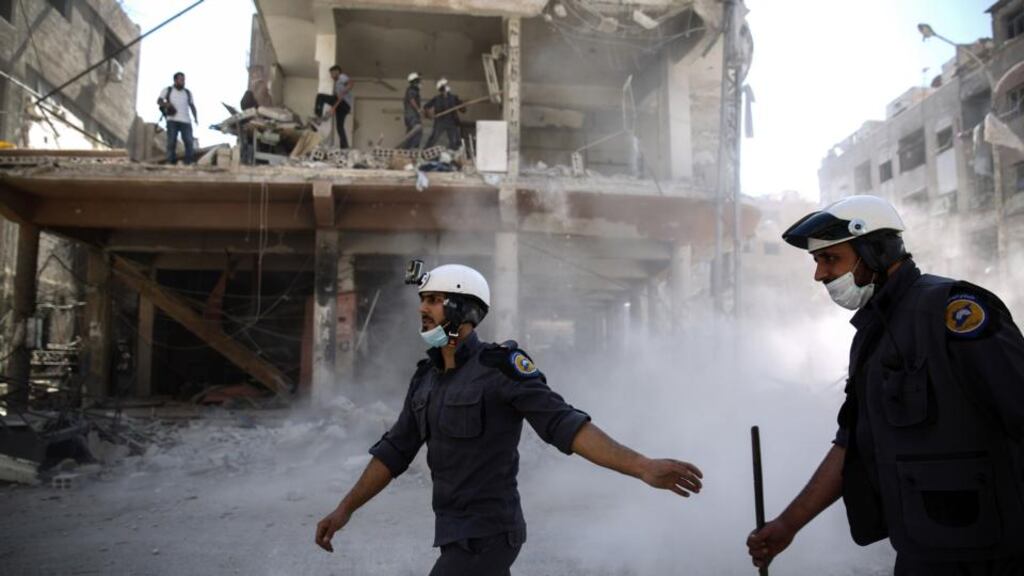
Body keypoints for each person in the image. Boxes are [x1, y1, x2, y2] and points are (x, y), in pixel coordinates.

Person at [316, 263, 704, 575]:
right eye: (423, 299)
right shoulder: (425, 379)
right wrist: (345, 508)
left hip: (489, 536)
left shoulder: (501, 368)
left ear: (462, 310)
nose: (422, 308)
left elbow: (564, 424)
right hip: (453, 533)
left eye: (433, 300)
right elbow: (395, 450)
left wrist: (642, 466)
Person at [746, 195, 1024, 575]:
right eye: (817, 262)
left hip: (991, 553)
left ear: (875, 252)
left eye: (830, 259)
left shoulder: (951, 310)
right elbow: (853, 443)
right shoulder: (871, 334)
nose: (820, 274)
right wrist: (787, 525)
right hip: (921, 548)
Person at [156, 72, 198, 165]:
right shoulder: (168, 90)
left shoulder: (187, 92)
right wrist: (167, 104)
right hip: (172, 120)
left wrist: (195, 118)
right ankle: (170, 161)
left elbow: (192, 106)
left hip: (186, 121)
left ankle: (189, 162)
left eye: (184, 80)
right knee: (171, 141)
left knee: (188, 141)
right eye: (181, 80)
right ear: (175, 80)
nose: (183, 82)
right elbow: (159, 101)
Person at [424, 78, 462, 150]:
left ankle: (456, 154)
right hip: (440, 121)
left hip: (452, 122)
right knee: (433, 138)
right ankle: (425, 151)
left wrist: (462, 105)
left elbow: (463, 109)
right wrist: (428, 114)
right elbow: (426, 107)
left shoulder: (454, 98)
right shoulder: (436, 98)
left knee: (454, 140)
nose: (446, 87)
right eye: (445, 86)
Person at [400, 72, 424, 150]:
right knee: (417, 131)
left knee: (410, 133)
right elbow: (412, 100)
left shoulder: (411, 90)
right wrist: (418, 110)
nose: (420, 82)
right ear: (415, 81)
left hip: (408, 116)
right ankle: (413, 149)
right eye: (419, 80)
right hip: (412, 115)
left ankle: (406, 149)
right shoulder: (412, 90)